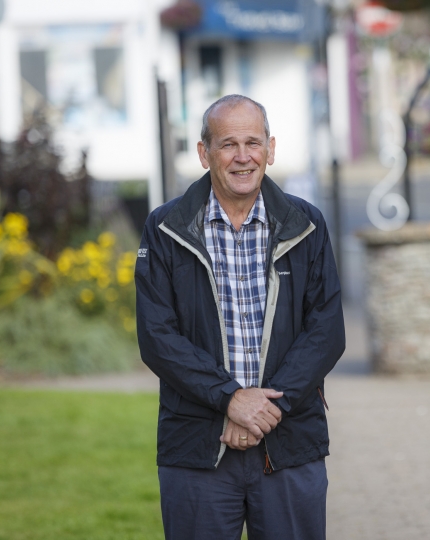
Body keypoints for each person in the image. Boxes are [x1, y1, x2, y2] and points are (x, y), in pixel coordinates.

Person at [135, 94, 344, 540]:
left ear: (271, 148)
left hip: (289, 441)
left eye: (253, 142)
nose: (243, 157)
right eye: (228, 144)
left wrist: (267, 407)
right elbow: (157, 336)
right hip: (197, 447)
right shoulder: (165, 227)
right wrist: (230, 399)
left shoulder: (306, 223)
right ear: (203, 152)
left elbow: (326, 329)